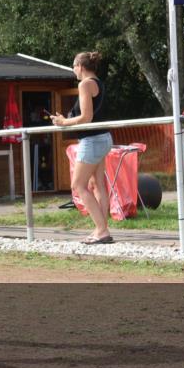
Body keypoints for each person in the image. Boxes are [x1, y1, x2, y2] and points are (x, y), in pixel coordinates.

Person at [50, 51, 114, 244]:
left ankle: (101, 230)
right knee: (97, 185)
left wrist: (63, 122)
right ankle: (102, 229)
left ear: (81, 66)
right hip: (104, 137)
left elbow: (87, 117)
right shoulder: (98, 82)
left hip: (92, 140)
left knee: (78, 185)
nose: (73, 70)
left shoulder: (85, 84)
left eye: (74, 65)